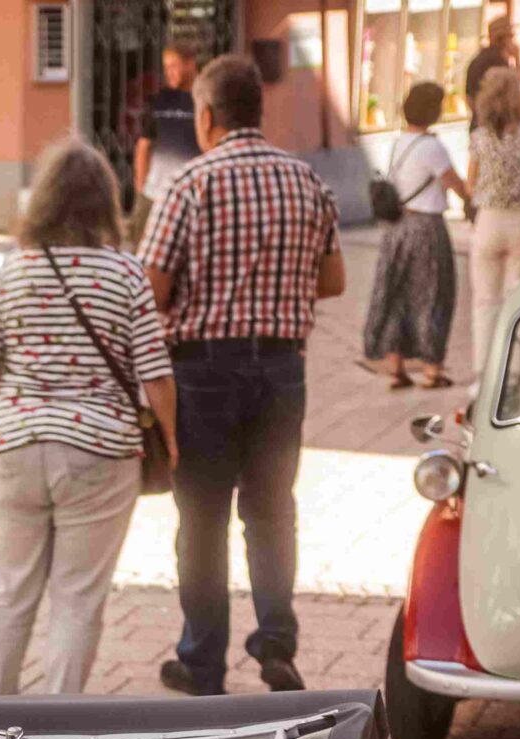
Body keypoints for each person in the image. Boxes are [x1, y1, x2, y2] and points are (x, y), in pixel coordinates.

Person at [140, 51, 345, 697]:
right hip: (282, 369)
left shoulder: (189, 184)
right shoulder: (305, 181)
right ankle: (275, 642)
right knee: (271, 512)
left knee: (202, 519)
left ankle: (202, 663)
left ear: (206, 116)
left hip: (202, 371)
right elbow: (333, 280)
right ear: (258, 110)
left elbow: (150, 289)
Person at [0, 138, 175, 695]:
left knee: (9, 590)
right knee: (78, 598)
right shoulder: (126, 273)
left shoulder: (13, 271)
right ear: (106, 201)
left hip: (12, 445)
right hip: (99, 452)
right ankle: (58, 723)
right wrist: (173, 441)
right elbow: (155, 373)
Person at [361, 82, 470, 388]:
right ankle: (432, 369)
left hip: (397, 228)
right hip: (426, 229)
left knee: (398, 295)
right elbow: (455, 184)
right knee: (434, 294)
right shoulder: (432, 147)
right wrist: (472, 198)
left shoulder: (399, 142)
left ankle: (397, 368)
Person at [469, 66, 520, 376]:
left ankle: (483, 374)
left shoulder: (480, 137)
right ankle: (518, 372)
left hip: (489, 220)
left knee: (485, 300)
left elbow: (470, 186)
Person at [134, 40, 201, 229]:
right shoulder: (159, 100)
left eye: (174, 66)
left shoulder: (204, 100)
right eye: (166, 67)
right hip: (153, 195)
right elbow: (143, 146)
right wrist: (141, 189)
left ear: (190, 64)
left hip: (189, 198)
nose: (168, 72)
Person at [464, 16, 519, 111]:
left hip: (480, 116)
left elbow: (469, 98)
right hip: (496, 117)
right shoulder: (498, 61)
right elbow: (515, 87)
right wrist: (518, 58)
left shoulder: (477, 59)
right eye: (511, 36)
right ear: (504, 38)